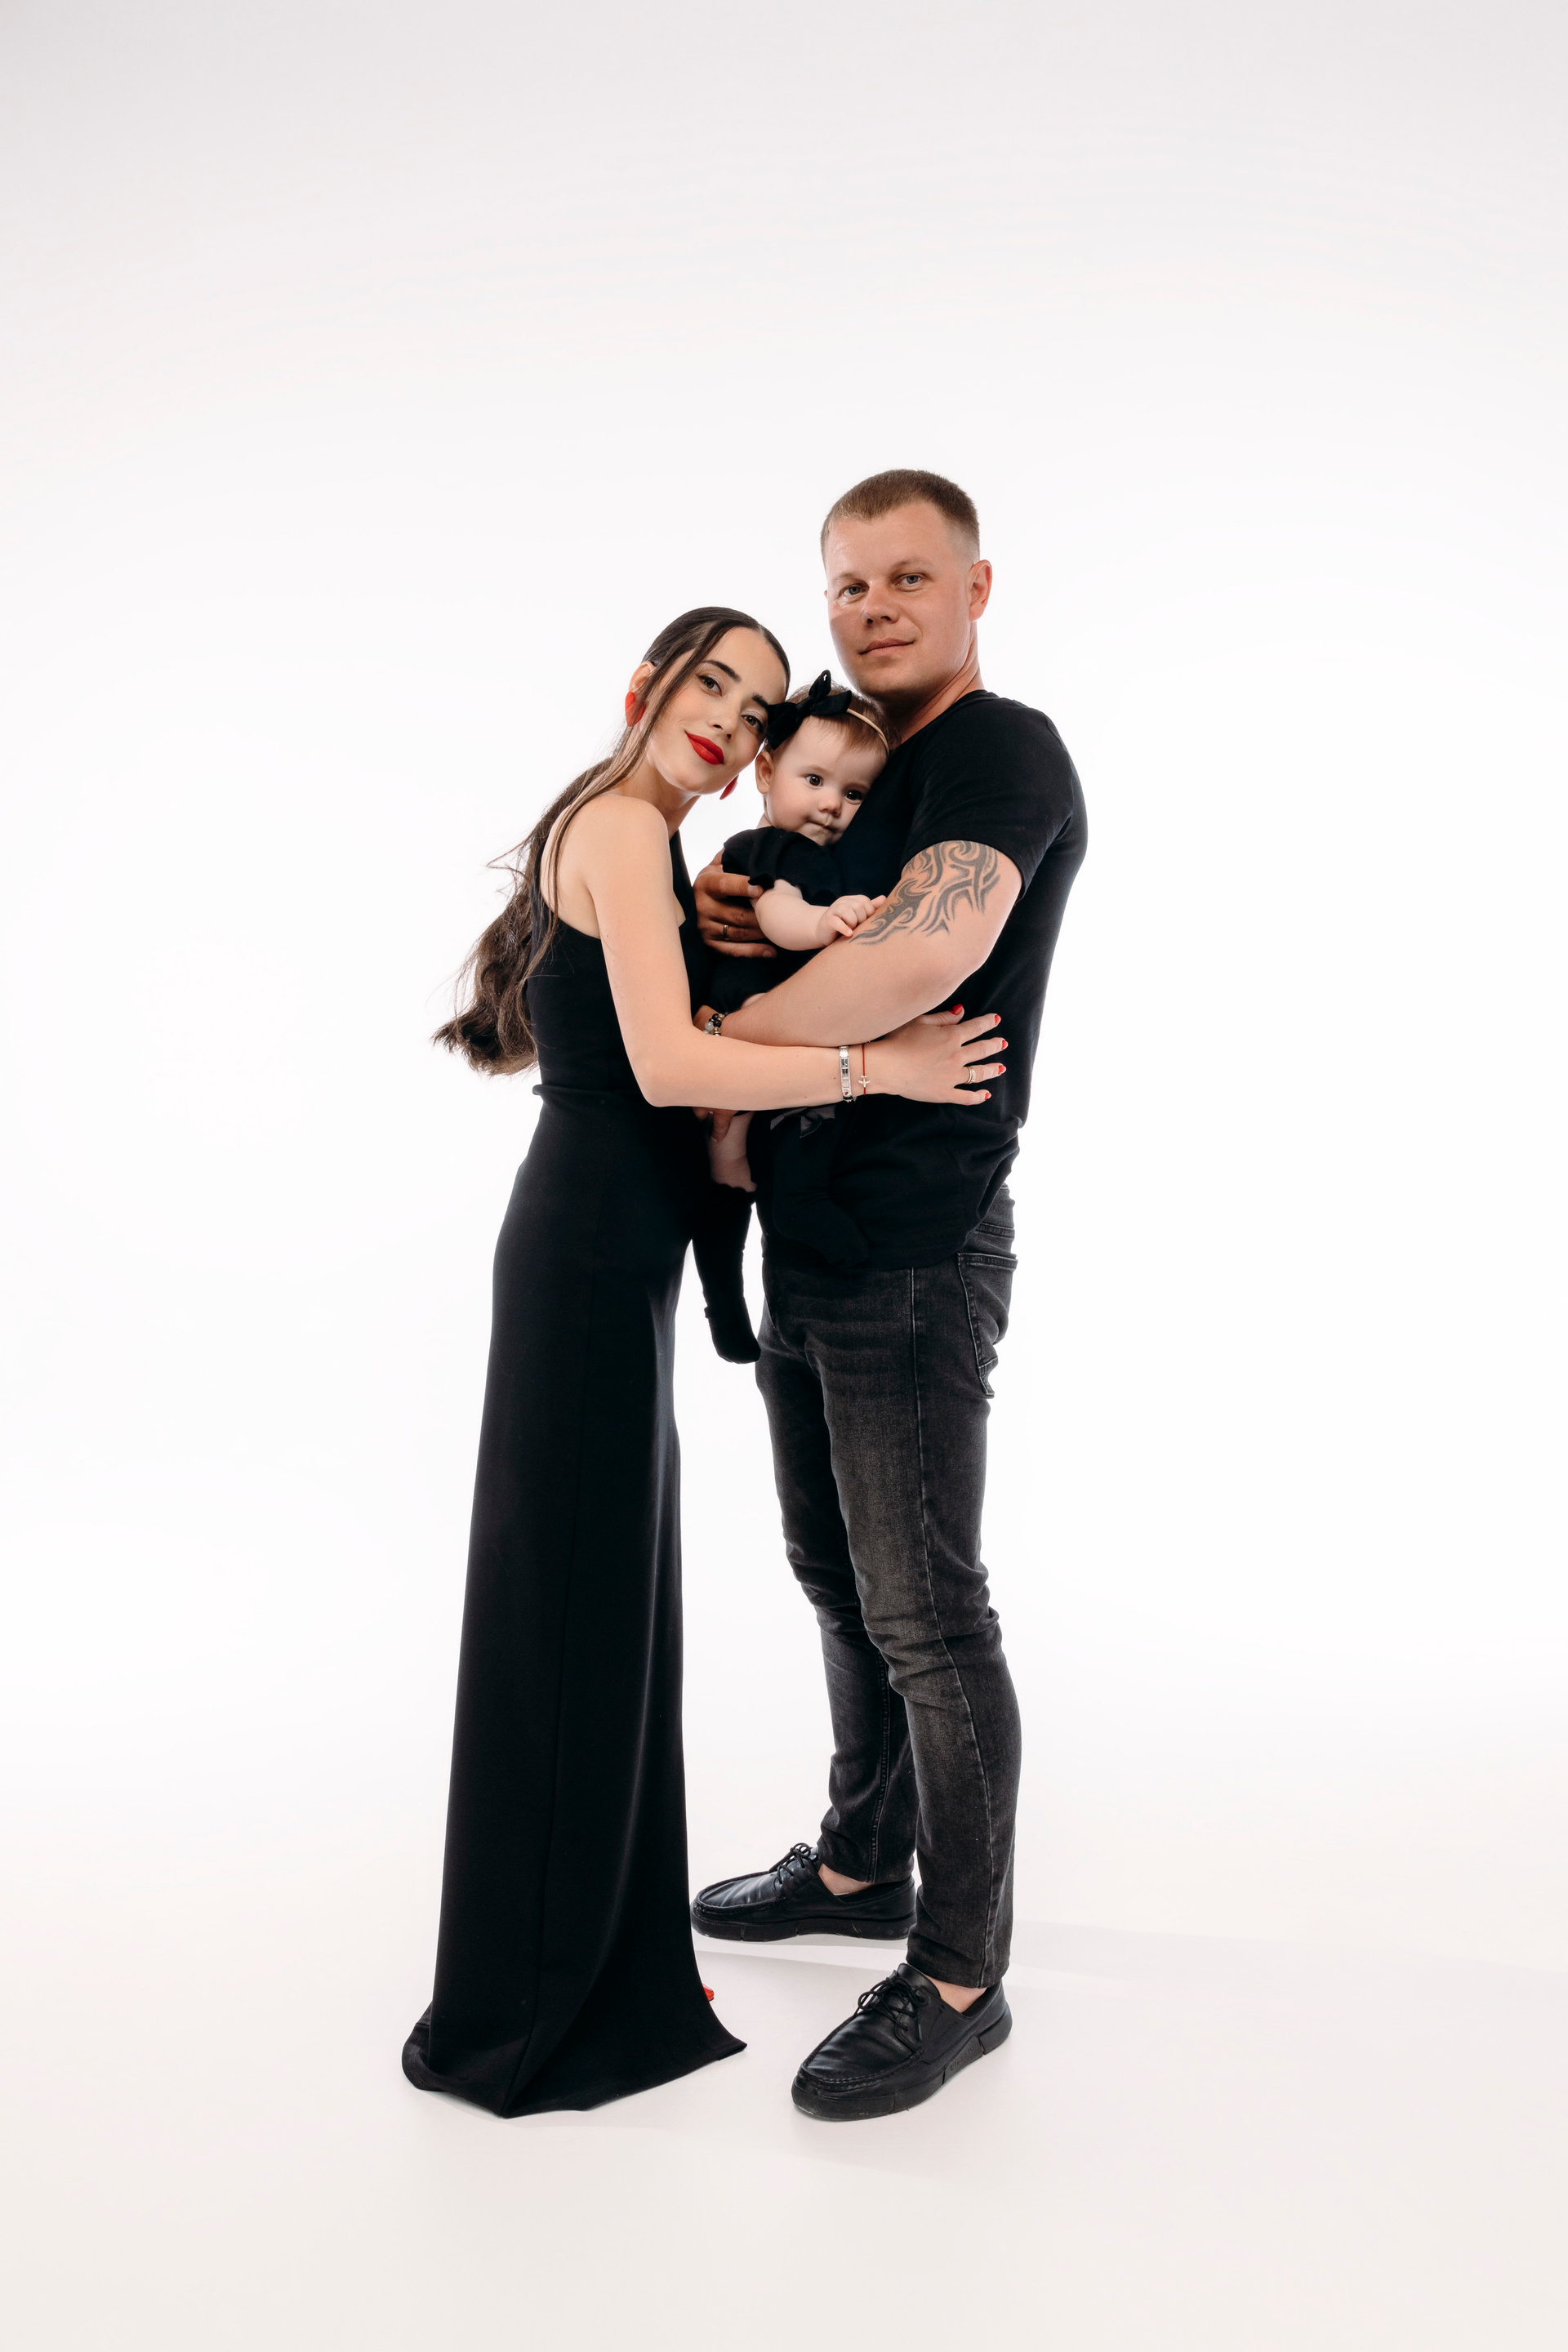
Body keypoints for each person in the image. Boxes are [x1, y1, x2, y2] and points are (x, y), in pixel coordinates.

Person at [402, 605, 1006, 2118]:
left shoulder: (660, 849)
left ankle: (589, 1960)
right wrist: (877, 1064)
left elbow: (651, 1037)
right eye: (712, 683)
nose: (730, 719)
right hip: (586, 1264)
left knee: (600, 1605)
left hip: (619, 1262)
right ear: (646, 687)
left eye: (753, 707)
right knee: (568, 1608)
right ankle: (533, 2005)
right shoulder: (620, 827)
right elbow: (669, 1067)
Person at [688, 471, 1088, 2123]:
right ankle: (862, 1862)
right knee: (834, 1574)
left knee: (927, 1611)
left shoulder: (1002, 753)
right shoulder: (853, 765)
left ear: (977, 588)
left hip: (919, 1243)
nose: (875, 608)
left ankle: (960, 1973)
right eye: (849, 584)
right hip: (807, 1227)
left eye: (909, 576)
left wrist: (716, 1035)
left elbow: (921, 958)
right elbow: (789, 931)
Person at [691, 670, 890, 1363]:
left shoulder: (826, 852)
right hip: (747, 1008)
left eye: (854, 793)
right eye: (815, 780)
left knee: (777, 1142)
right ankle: (727, 1291)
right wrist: (824, 921)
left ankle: (733, 1288)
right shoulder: (772, 849)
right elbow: (778, 913)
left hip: (773, 1020)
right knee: (736, 1149)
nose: (832, 804)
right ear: (766, 773)